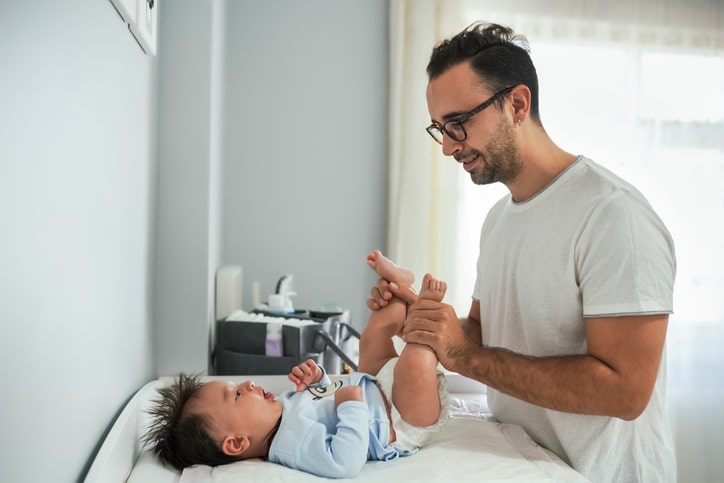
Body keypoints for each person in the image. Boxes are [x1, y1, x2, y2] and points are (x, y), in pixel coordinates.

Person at [367, 22, 676, 483]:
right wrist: (425, 318)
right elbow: (481, 333)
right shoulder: (499, 220)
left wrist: (463, 356)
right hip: (526, 464)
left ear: (516, 104)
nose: (449, 146)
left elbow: (626, 392)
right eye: (440, 129)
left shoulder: (615, 216)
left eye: (458, 123)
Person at [142, 251, 449, 479]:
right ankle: (427, 311)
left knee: (372, 336)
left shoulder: (282, 408)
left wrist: (318, 380)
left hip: (373, 383)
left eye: (236, 386)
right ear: (236, 443)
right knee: (413, 362)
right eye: (236, 395)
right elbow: (344, 461)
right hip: (400, 418)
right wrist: (352, 406)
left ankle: (400, 284)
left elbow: (326, 396)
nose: (246, 384)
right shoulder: (291, 444)